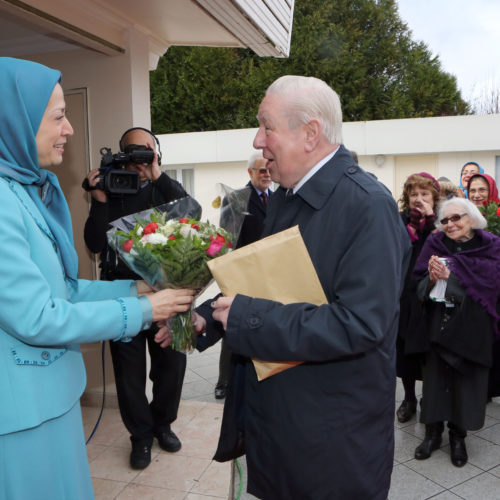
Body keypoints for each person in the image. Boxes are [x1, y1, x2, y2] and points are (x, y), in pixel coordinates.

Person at [184, 75, 411, 499]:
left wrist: (246, 317)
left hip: (329, 445)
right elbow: (273, 282)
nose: (257, 140)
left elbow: (360, 323)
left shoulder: (367, 206)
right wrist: (209, 317)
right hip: (286, 428)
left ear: (310, 133)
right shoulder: (290, 196)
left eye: (267, 126)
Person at [0, 57, 195, 500]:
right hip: (20, 415)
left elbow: (65, 290)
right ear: (16, 120)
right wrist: (147, 307)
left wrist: (137, 288)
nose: (68, 128)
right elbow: (38, 317)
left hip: (53, 400)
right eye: (58, 116)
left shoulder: (23, 191)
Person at [83, 127, 189, 469]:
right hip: (122, 294)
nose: (141, 157)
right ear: (121, 155)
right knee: (129, 374)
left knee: (171, 367)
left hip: (165, 291)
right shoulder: (112, 189)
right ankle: (140, 437)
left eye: (147, 149)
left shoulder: (163, 188)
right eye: (134, 151)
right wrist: (99, 202)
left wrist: (156, 174)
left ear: (156, 151)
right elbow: (95, 244)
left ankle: (162, 426)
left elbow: (188, 214)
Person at [409, 198, 500, 467]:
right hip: (437, 323)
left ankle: (458, 438)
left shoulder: (491, 246)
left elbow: (492, 287)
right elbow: (416, 284)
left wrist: (453, 278)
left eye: (456, 218)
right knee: (435, 380)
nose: (450, 224)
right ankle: (432, 434)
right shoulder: (434, 244)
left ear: (471, 218)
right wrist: (432, 279)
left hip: (472, 326)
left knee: (464, 382)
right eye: (445, 220)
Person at [214, 152, 272, 399]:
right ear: (250, 173)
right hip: (244, 275)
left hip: (270, 275)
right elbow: (226, 241)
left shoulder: (281, 198)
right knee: (233, 328)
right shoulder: (235, 199)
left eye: (269, 170)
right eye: (261, 171)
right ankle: (224, 382)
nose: (267, 175)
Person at [396, 173, 440, 423]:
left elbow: (444, 246)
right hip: (404, 292)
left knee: (428, 349)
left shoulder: (445, 220)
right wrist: (411, 226)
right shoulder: (401, 220)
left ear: (434, 196)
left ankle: (428, 397)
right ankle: (409, 398)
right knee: (404, 348)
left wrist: (431, 221)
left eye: (424, 194)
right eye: (414, 194)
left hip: (432, 294)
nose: (419, 199)